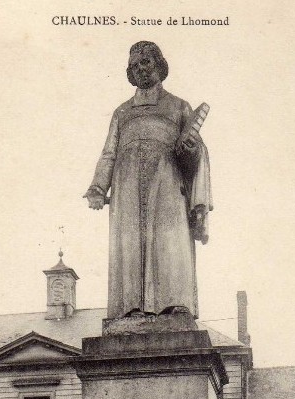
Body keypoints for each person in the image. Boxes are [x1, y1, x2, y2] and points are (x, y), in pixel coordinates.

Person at [84, 41, 212, 320]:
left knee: (169, 240)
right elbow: (109, 153)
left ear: (159, 66)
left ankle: (176, 302)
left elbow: (197, 152)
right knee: (129, 244)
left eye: (146, 63)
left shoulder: (179, 107)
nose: (141, 70)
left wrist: (191, 149)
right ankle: (129, 307)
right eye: (134, 66)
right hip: (127, 186)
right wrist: (97, 188)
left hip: (167, 183)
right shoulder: (122, 113)